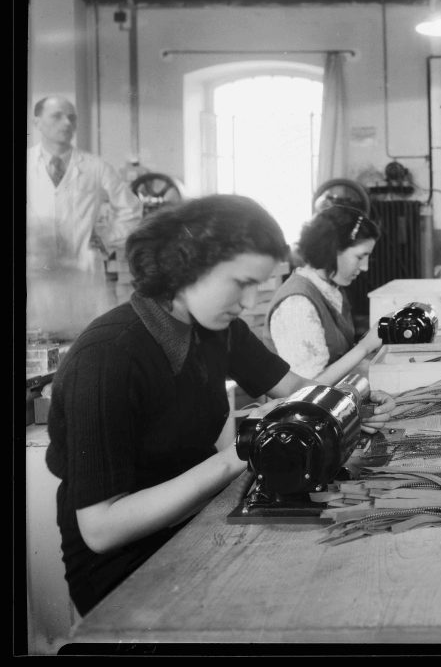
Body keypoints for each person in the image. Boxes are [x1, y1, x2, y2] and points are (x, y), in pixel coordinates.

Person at [44, 195, 397, 617]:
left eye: (258, 285)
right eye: (240, 283)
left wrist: (351, 397)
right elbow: (102, 528)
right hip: (126, 570)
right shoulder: (108, 355)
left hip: (197, 522)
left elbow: (292, 386)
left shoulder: (216, 329)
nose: (249, 302)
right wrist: (241, 454)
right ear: (187, 263)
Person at [27, 96, 144, 334]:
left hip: (83, 272)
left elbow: (131, 209)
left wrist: (106, 237)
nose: (67, 123)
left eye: (71, 117)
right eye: (57, 116)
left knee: (88, 339)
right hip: (34, 272)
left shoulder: (95, 166)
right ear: (36, 122)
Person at [267, 205, 384, 384]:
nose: (365, 267)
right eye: (360, 257)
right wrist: (364, 347)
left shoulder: (330, 288)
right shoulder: (297, 304)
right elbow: (306, 390)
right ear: (332, 250)